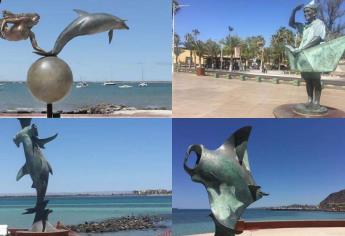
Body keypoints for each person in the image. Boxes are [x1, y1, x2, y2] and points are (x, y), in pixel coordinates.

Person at [288, 0, 326, 111]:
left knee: (315, 79)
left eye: (307, 12)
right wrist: (294, 11)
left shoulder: (319, 23)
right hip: (304, 56)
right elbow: (291, 23)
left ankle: (317, 102)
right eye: (304, 13)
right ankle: (309, 100)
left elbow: (317, 38)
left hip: (314, 56)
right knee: (308, 79)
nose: (305, 15)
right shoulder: (305, 26)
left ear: (314, 12)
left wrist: (301, 49)